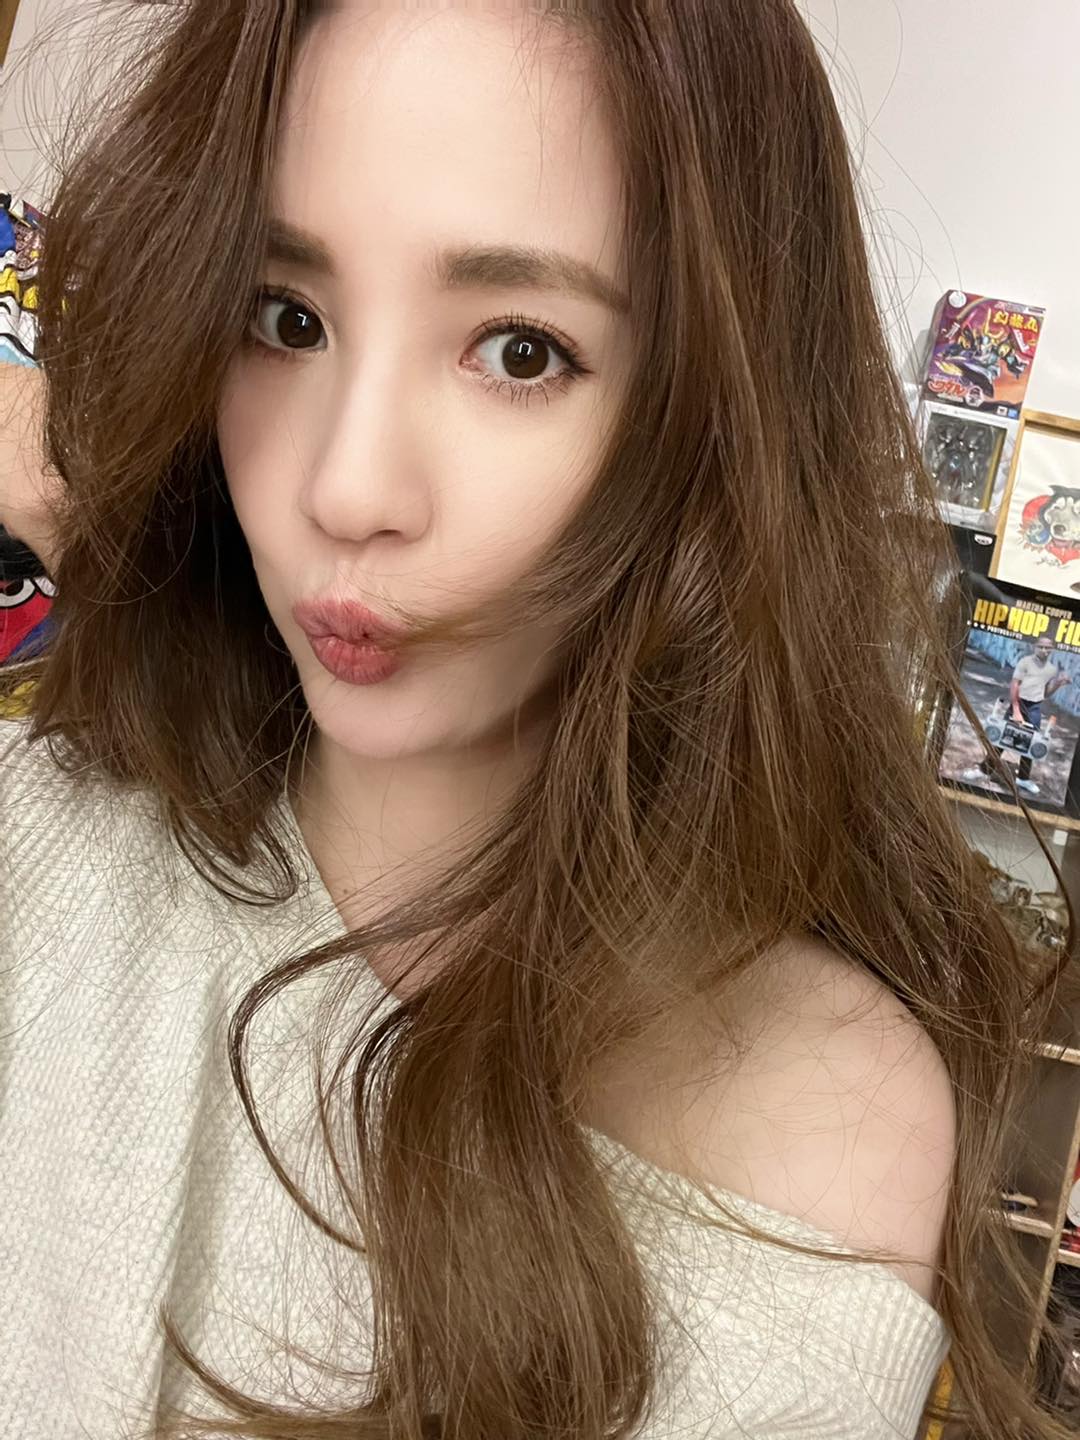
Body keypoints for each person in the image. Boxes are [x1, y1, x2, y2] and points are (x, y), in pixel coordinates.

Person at [0, 3, 1072, 1438]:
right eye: (286, 318)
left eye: (519, 351)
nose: (346, 487)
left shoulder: (815, 1134)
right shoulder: (41, 844)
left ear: (720, 420)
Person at [978, 636, 1071, 795]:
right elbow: (1014, 686)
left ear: (1052, 650)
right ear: (1035, 647)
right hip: (1019, 702)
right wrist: (1015, 710)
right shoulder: (1025, 663)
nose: (1044, 650)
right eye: (1041, 646)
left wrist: (1058, 684)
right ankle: (985, 770)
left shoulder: (1051, 670)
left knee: (1032, 742)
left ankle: (1023, 778)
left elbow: (1045, 693)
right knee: (1003, 737)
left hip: (1034, 708)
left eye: (1048, 648)